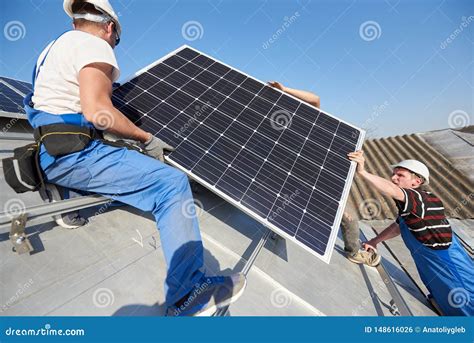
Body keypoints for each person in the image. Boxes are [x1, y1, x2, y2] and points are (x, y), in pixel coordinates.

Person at [26, 0, 246, 316]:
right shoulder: (94, 45)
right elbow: (98, 111)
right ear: (110, 27)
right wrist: (146, 138)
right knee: (171, 184)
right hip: (76, 156)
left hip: (49, 155)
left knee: (123, 163)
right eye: (116, 41)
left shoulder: (54, 48)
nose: (113, 46)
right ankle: (188, 295)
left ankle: (67, 196)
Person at [268, 81, 380, 267]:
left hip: (318, 180)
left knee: (349, 218)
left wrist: (285, 90)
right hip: (288, 179)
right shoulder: (274, 132)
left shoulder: (309, 123)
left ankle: (353, 252)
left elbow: (315, 99)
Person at [348, 151, 474, 316]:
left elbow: (392, 189)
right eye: (393, 174)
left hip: (457, 277)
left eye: (400, 175)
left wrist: (363, 172)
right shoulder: (413, 207)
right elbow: (400, 225)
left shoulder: (421, 200)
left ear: (417, 181)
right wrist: (374, 241)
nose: (394, 178)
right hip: (437, 277)